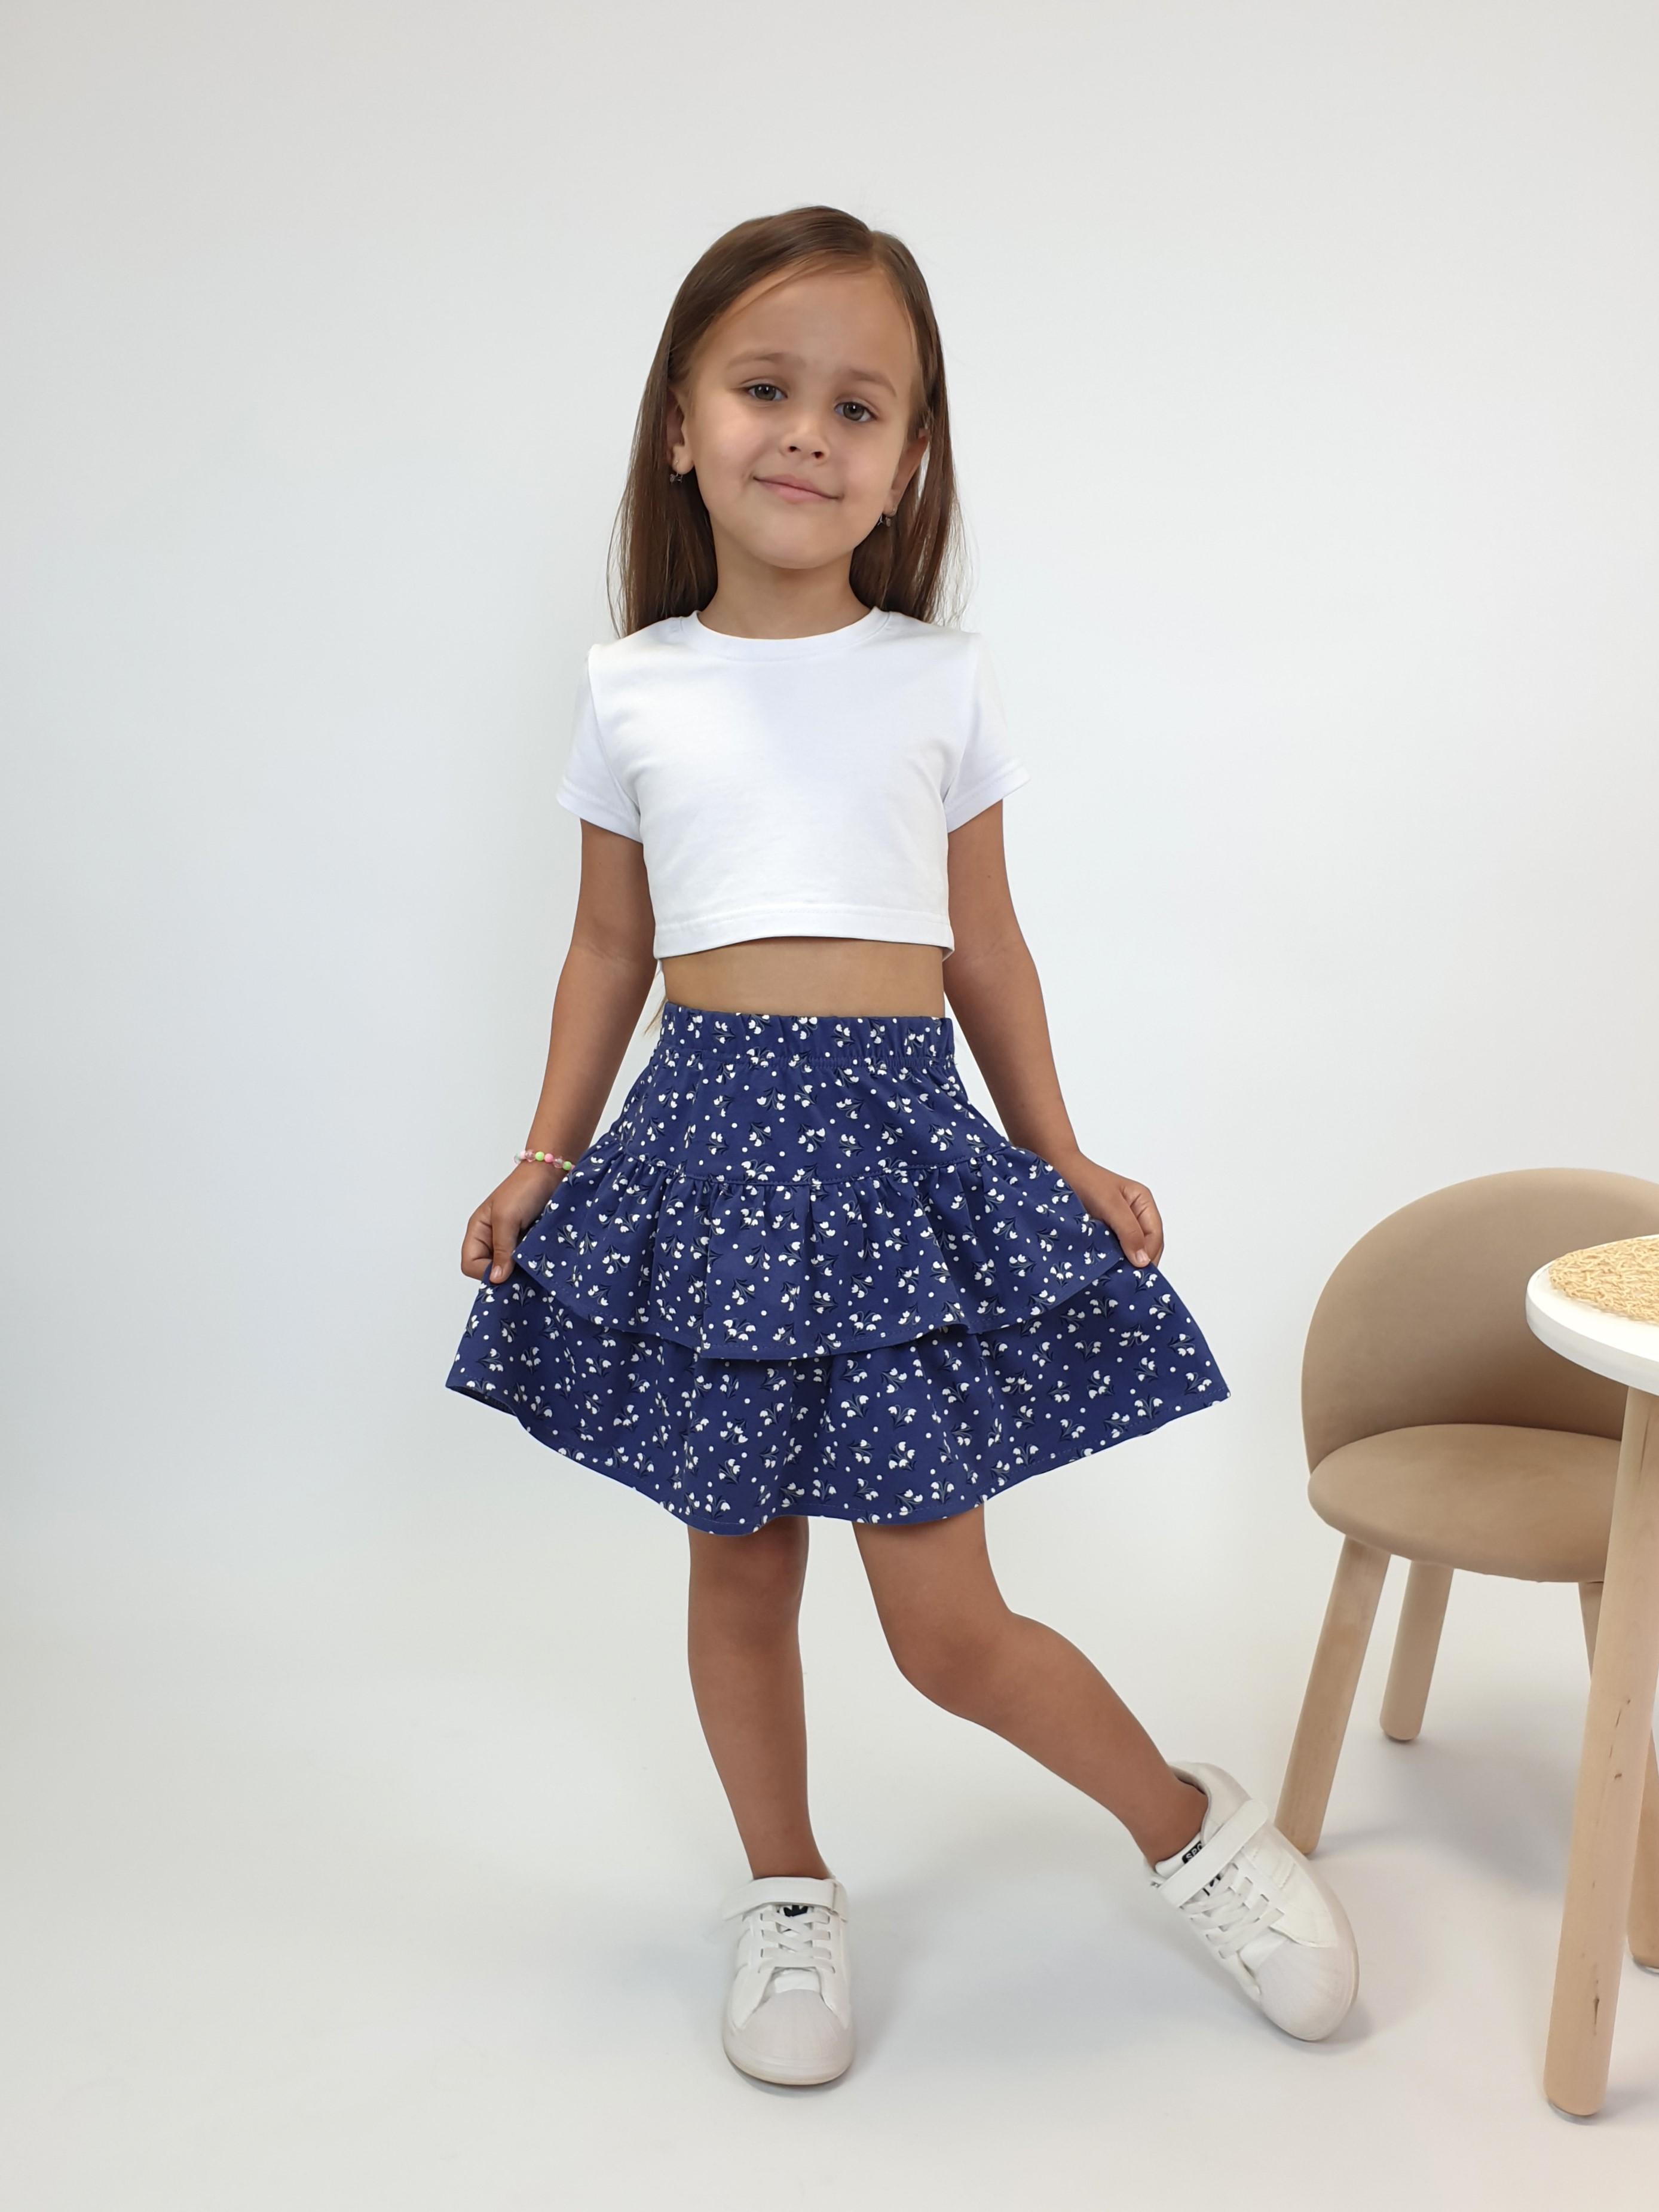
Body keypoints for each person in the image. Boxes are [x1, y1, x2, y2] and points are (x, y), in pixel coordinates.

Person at [447, 204, 1358, 2088]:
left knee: (944, 1624)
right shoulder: (634, 686)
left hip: (887, 1172)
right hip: (707, 1169)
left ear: (908, 456)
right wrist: (543, 1155)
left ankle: (1191, 1827)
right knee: (738, 1575)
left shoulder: (935, 679)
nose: (807, 432)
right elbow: (610, 948)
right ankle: (787, 1891)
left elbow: (984, 946)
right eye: (764, 389)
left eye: (857, 407)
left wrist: (1060, 1149)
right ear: (682, 421)